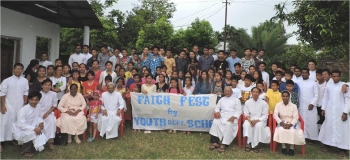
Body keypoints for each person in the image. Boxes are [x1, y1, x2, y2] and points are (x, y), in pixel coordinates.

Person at [318, 70, 349, 156]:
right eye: (334, 76)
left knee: (341, 129)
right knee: (329, 127)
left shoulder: (344, 86)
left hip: (340, 112)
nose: (336, 78)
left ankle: (342, 148)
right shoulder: (329, 85)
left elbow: (347, 100)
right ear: (331, 77)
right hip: (330, 111)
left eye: (338, 76)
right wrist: (323, 108)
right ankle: (328, 144)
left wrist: (345, 112)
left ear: (340, 76)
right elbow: (325, 98)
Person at [1, 63, 29, 152]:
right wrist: (2, 105)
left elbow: (26, 92)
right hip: (8, 105)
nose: (18, 70)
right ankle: (1, 142)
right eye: (16, 68)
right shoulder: (7, 80)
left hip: (20, 105)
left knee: (17, 122)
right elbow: (2, 93)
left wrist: (25, 103)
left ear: (22, 70)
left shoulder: (24, 81)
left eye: (20, 68)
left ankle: (14, 139)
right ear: (13, 69)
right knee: (4, 123)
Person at [12, 91, 46, 157]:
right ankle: (25, 151)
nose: (34, 102)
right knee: (30, 133)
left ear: (39, 100)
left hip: (32, 125)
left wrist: (41, 122)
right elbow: (21, 125)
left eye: (36, 100)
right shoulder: (23, 110)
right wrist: (34, 129)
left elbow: (39, 116)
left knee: (41, 129)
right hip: (21, 128)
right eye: (32, 100)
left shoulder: (38, 106)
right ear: (28, 100)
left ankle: (33, 146)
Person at [209, 86, 242, 153]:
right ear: (224, 92)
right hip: (222, 116)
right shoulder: (221, 99)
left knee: (228, 125)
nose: (227, 92)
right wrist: (217, 112)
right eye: (226, 91)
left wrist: (234, 116)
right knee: (216, 121)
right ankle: (215, 142)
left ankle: (224, 144)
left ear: (232, 92)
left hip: (232, 117)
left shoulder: (236, 100)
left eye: (228, 91)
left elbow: (239, 110)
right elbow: (217, 107)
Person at [273, 91, 305, 156]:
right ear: (281, 97)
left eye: (287, 96)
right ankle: (283, 147)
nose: (285, 98)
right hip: (282, 122)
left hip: (292, 123)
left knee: (292, 131)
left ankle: (291, 147)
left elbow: (296, 117)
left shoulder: (294, 106)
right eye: (283, 96)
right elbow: (275, 115)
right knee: (281, 130)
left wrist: (290, 124)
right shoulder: (278, 105)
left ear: (289, 97)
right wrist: (282, 123)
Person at [243, 87, 271, 153]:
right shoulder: (247, 102)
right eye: (254, 92)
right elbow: (246, 114)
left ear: (259, 93)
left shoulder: (264, 103)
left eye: (257, 92)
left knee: (258, 126)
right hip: (250, 119)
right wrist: (250, 121)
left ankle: (255, 144)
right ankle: (248, 143)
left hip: (261, 120)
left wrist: (257, 120)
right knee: (246, 124)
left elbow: (265, 115)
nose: (255, 93)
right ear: (251, 93)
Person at [298, 68, 318, 144]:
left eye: (306, 73)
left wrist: (312, 103)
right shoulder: (298, 82)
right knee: (302, 120)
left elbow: (316, 95)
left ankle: (311, 138)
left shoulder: (313, 83)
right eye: (303, 73)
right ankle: (302, 136)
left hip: (310, 106)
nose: (304, 74)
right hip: (301, 105)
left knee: (311, 121)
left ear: (309, 74)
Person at [38, 79, 57, 150]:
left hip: (49, 112)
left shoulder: (53, 94)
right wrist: (40, 114)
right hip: (38, 113)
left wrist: (48, 112)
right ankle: (41, 141)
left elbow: (54, 105)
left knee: (51, 121)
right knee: (39, 123)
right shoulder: (38, 94)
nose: (47, 86)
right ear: (42, 86)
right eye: (45, 85)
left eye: (49, 85)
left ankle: (50, 142)